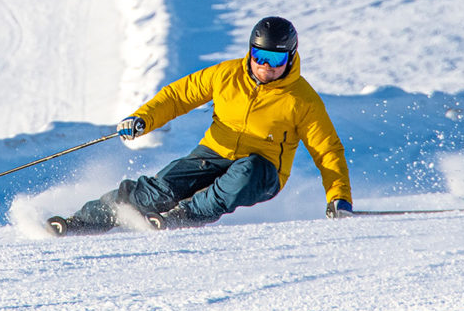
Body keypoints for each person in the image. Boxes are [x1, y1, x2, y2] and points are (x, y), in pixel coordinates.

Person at [48, 16, 353, 236]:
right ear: (250, 51)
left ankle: (185, 215)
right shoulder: (226, 74)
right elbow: (179, 96)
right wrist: (143, 118)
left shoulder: (303, 99)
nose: (267, 66)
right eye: (260, 56)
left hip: (262, 170)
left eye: (276, 58)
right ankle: (82, 221)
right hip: (212, 153)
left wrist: (338, 197)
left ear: (291, 57)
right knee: (161, 189)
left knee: (243, 173)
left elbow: (327, 150)